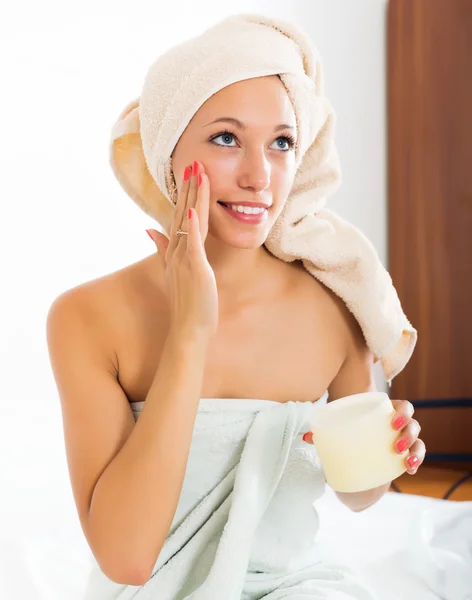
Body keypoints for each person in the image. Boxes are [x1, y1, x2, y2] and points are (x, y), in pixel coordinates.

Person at [46, 13, 425, 600]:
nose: (259, 176)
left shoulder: (336, 302)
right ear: (169, 153)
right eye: (226, 138)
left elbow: (357, 493)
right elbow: (126, 560)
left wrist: (391, 450)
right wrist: (190, 334)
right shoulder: (88, 317)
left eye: (281, 143)